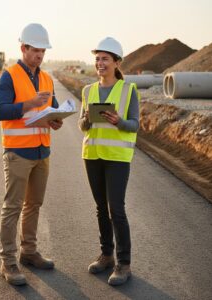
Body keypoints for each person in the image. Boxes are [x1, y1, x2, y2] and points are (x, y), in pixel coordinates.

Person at [0, 23, 63, 286]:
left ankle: (29, 253)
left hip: (42, 151)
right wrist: (29, 105)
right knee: (12, 208)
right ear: (23, 48)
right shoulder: (9, 76)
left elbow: (53, 108)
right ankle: (8, 263)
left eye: (43, 51)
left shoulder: (46, 78)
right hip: (18, 154)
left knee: (34, 205)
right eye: (36, 51)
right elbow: (0, 111)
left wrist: (57, 119)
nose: (40, 56)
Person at [78, 37, 139, 286]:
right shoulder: (87, 91)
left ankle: (123, 264)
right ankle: (106, 255)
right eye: (97, 59)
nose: (100, 63)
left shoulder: (128, 90)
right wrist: (88, 120)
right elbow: (82, 125)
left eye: (105, 59)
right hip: (92, 156)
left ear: (116, 62)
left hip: (117, 158)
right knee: (101, 209)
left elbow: (135, 124)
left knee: (117, 209)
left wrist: (119, 122)